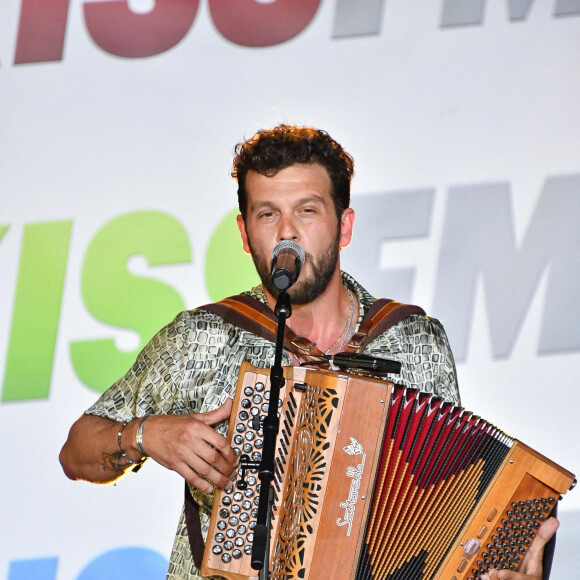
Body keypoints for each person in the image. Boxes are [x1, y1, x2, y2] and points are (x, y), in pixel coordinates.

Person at [60, 125, 556, 580]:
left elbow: (451, 508)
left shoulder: (413, 339)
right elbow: (77, 451)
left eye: (308, 210)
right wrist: (145, 435)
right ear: (244, 232)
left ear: (344, 226)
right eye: (267, 213)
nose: (287, 233)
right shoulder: (201, 338)